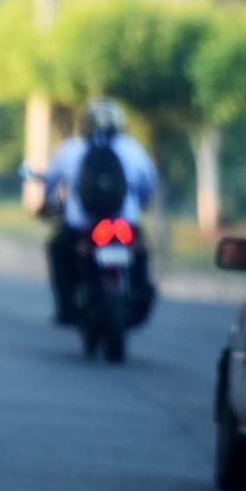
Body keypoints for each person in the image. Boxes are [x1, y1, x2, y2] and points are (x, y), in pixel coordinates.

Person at [40, 97, 158, 325]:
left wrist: (45, 204)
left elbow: (51, 182)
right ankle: (141, 297)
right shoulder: (132, 148)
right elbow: (148, 184)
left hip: (81, 225)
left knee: (57, 249)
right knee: (141, 254)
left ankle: (66, 306)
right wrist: (141, 202)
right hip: (125, 224)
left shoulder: (71, 148)